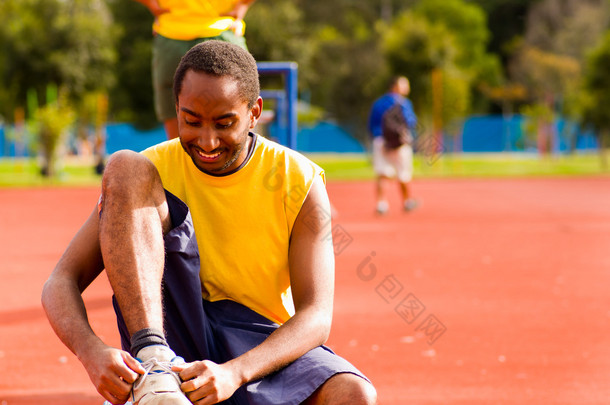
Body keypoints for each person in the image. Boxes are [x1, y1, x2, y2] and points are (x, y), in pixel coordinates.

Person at [42, 41, 377, 405]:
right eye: (191, 120)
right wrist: (92, 353)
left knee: (354, 394)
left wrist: (236, 371)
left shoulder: (300, 180)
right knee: (123, 164)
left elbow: (316, 316)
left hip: (260, 343)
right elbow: (60, 281)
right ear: (176, 110)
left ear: (254, 112)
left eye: (224, 123)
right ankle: (154, 375)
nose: (207, 140)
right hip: (171, 339)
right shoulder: (142, 174)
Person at [133, 0, 256, 140]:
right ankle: (180, 160)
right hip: (175, 32)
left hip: (218, 29)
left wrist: (242, 5)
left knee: (239, 109)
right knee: (177, 133)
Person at [367, 75, 419, 215]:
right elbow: (411, 122)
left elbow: (371, 124)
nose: (407, 87)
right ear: (396, 86)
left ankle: (381, 204)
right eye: (404, 84)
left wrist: (378, 137)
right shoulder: (403, 103)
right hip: (400, 142)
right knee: (403, 173)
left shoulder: (378, 103)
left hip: (380, 141)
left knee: (383, 173)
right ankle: (407, 201)